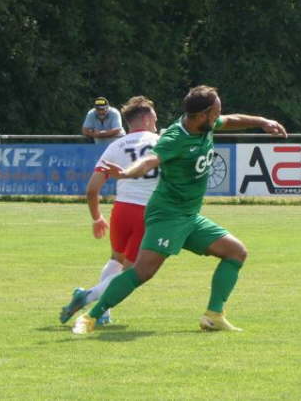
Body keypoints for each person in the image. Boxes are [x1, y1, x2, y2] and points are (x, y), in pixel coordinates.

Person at [72, 85, 287, 334]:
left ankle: (213, 316)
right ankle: (91, 317)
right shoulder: (175, 138)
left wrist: (263, 122)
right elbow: (149, 161)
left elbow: (233, 120)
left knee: (236, 253)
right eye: (216, 112)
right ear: (202, 114)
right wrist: (126, 173)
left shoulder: (206, 123)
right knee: (142, 272)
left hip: (188, 216)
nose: (220, 116)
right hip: (167, 215)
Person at [60, 96, 160, 326]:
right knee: (132, 272)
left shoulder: (116, 145)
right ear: (145, 119)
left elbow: (92, 189)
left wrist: (97, 218)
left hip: (121, 210)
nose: (156, 122)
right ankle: (88, 297)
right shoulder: (162, 142)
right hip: (147, 212)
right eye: (154, 118)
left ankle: (103, 312)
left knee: (116, 259)